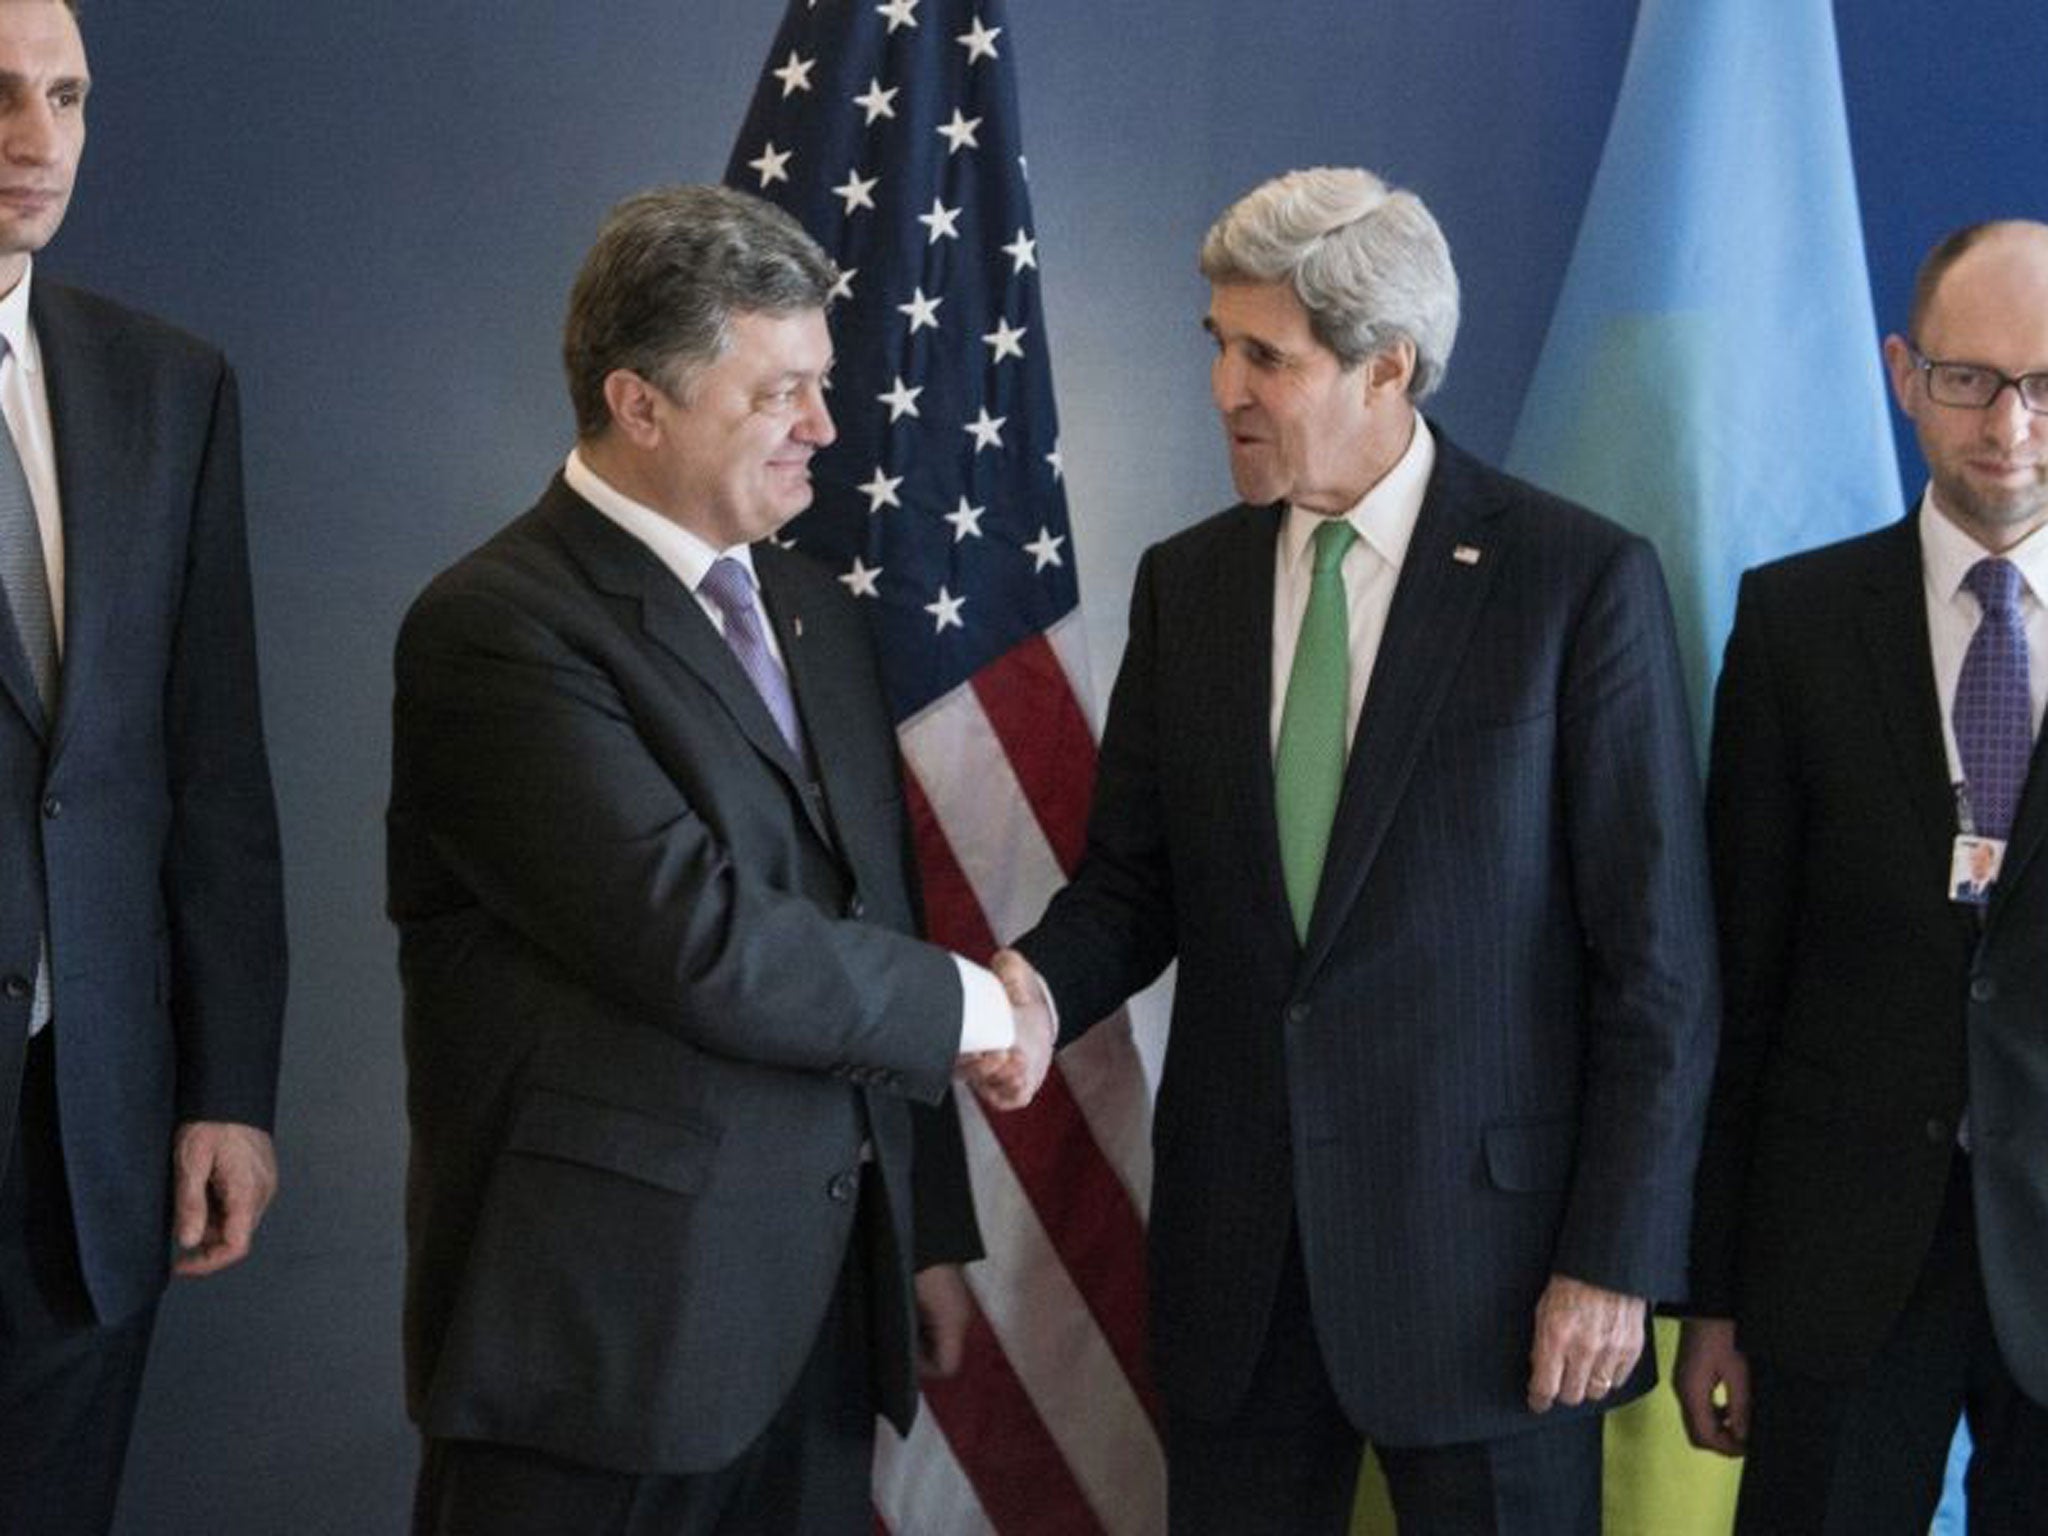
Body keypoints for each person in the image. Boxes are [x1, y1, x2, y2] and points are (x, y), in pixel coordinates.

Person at [994, 166, 1718, 1533]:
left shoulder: (1573, 585)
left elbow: (1658, 968)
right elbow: (1133, 887)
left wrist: (1615, 1261)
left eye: (1268, 356)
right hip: (1242, 1277)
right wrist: (1033, 988)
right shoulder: (1189, 584)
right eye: (1219, 346)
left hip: (1497, 1282)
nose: (1225, 391)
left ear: (1389, 367)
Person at [389, 183, 1053, 1536]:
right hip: (604, 1354)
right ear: (639, 404)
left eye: (824, 382)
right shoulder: (498, 631)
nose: (824, 426)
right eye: (780, 393)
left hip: (817, 1324)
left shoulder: (809, 609)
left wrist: (916, 1230)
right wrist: (982, 1007)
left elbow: (872, 902)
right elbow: (702, 941)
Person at [1676, 220, 2048, 1533]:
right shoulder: (1794, 626)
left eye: (2046, 386)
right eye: (1971, 379)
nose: (2009, 424)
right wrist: (1711, 1292)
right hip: (1836, 1267)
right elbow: (1737, 978)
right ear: (1904, 372)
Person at [0, 3, 287, 1532]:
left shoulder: (168, 385)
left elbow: (212, 769)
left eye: (67, 97)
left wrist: (228, 1089)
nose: (39, 143)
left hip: (84, 1138)